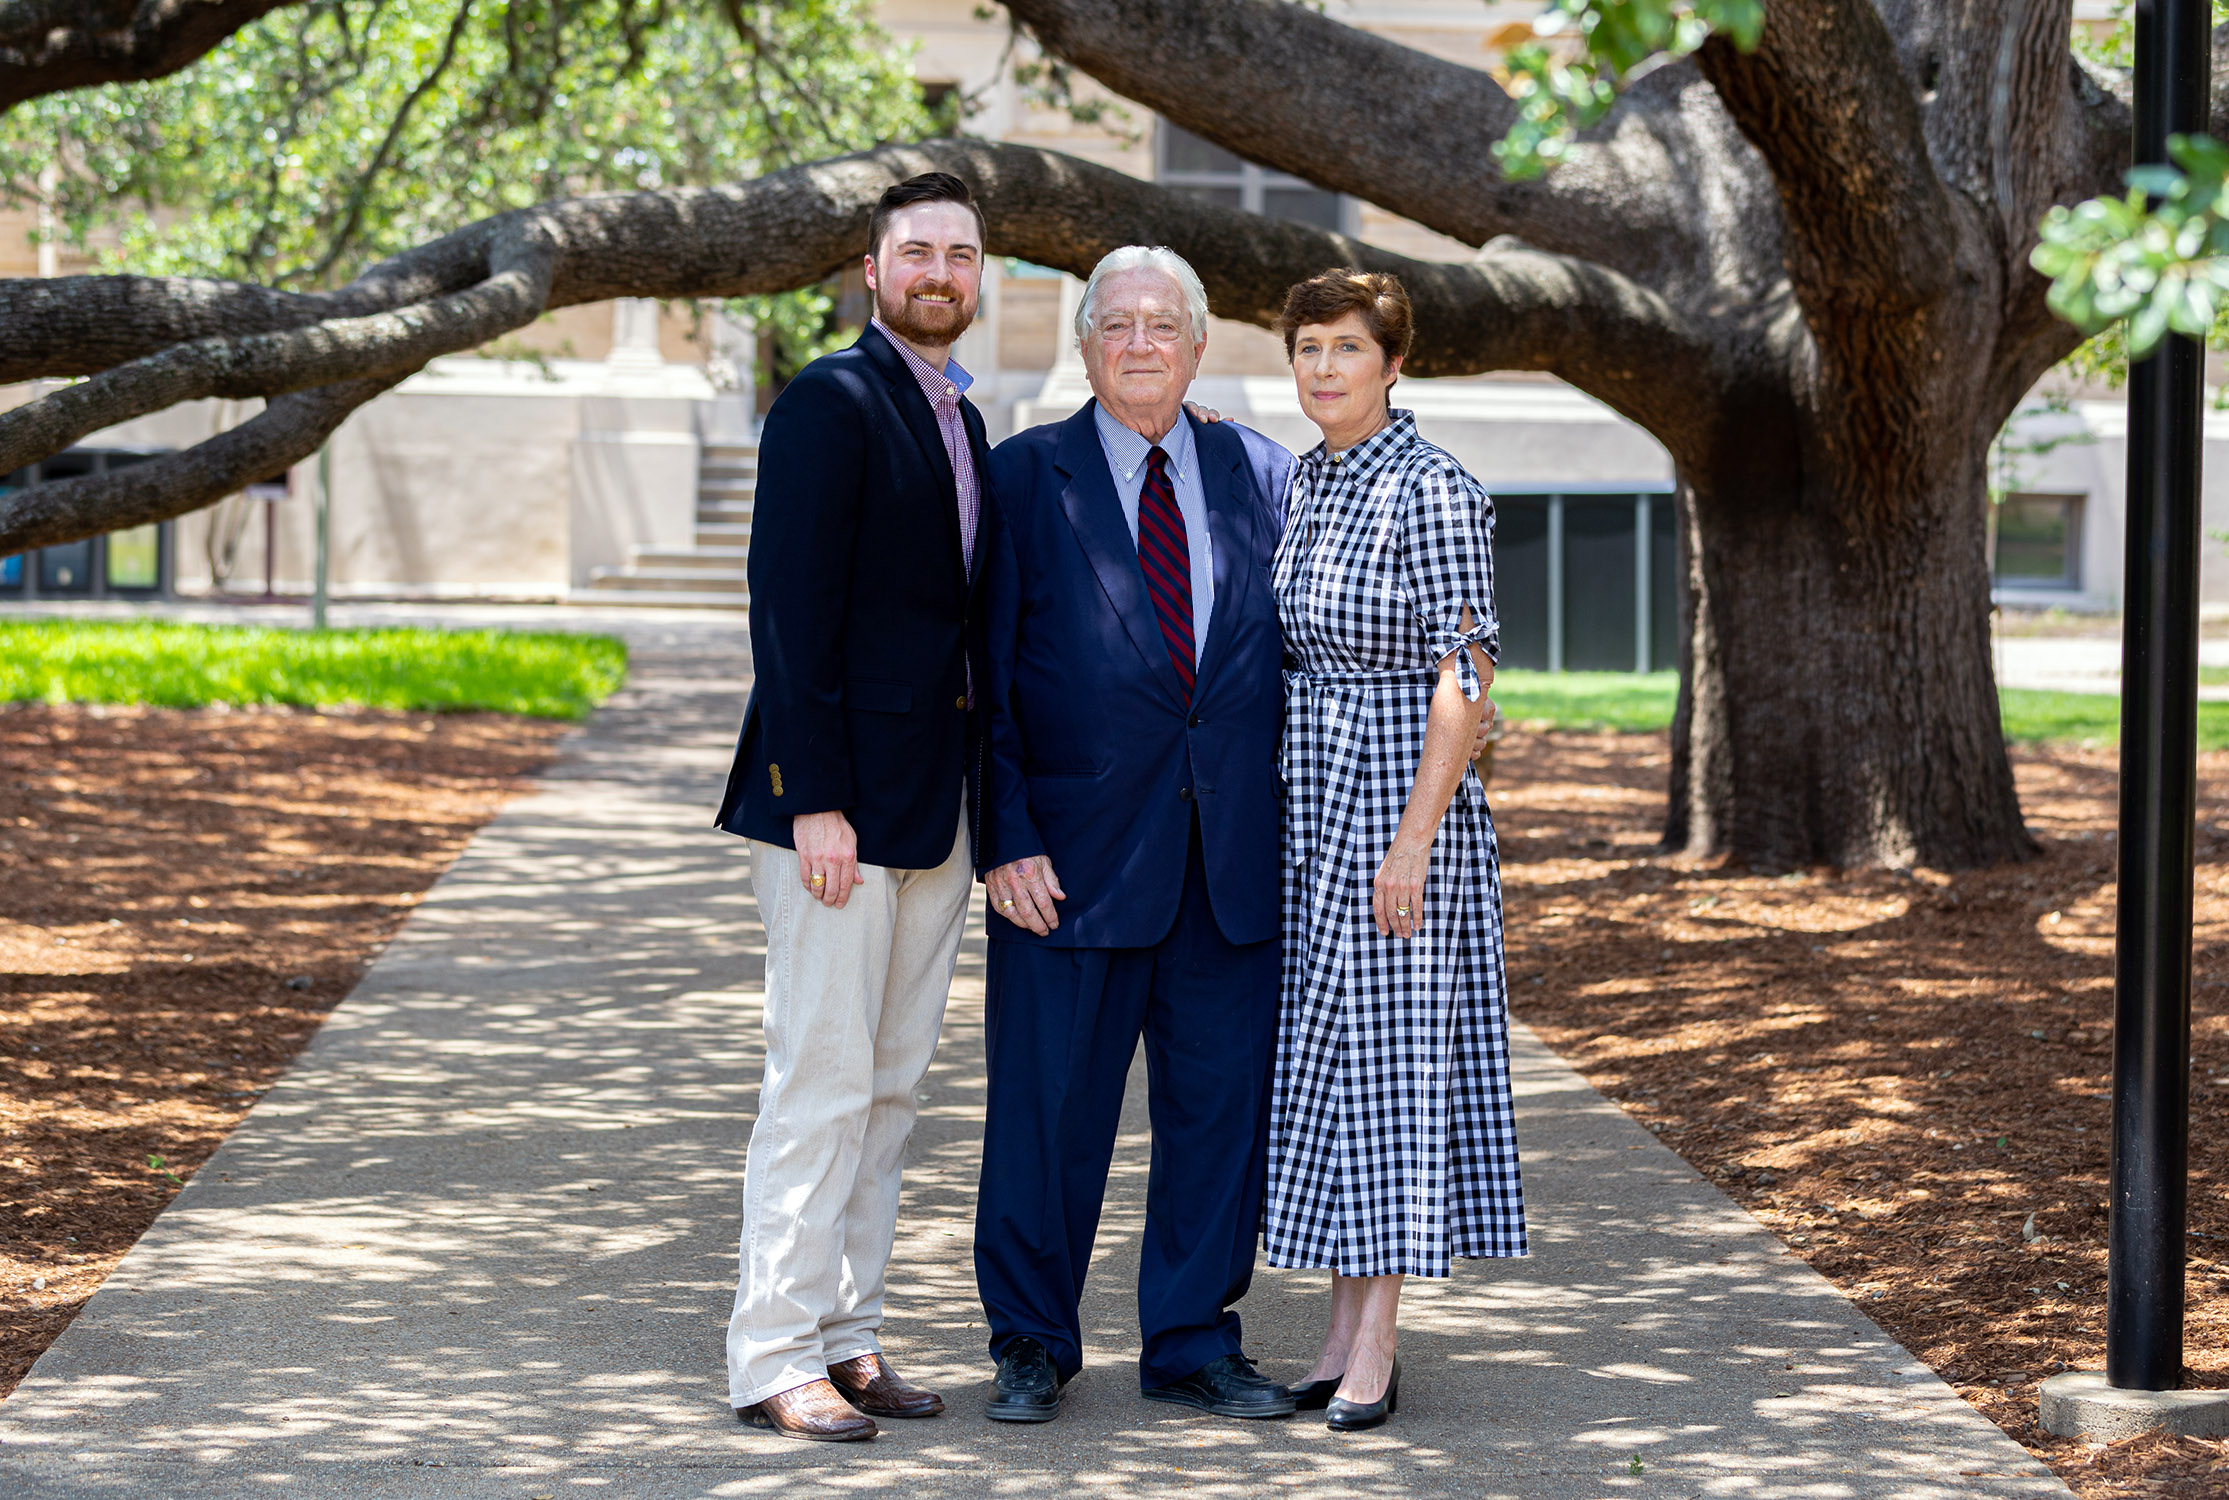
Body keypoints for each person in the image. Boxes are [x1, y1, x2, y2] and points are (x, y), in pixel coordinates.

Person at [970, 246, 1297, 1423]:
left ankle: (1194, 1340)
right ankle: (1029, 1340)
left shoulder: (1264, 474)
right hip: (1065, 865)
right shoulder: (1021, 480)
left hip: (1230, 867)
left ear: (1201, 346)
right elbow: (986, 676)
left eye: (1166, 323)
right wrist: (1004, 836)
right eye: (1119, 323)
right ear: (1086, 346)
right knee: (1047, 1115)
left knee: (1217, 1118)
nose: (1143, 341)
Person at [711, 171, 991, 1442]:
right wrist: (813, 801)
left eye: (961, 255)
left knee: (889, 1088)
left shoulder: (965, 423)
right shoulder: (830, 400)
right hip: (838, 817)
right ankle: (774, 1352)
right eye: (917, 252)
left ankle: (849, 1334)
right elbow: (788, 614)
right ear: (873, 272)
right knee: (819, 1081)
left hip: (933, 812)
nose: (940, 272)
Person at [1264, 269, 1527, 1433]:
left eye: (1347, 349)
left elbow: (1465, 676)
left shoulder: (1431, 488)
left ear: (1394, 363)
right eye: (1308, 347)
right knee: (1332, 1076)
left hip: (1395, 806)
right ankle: (1333, 1327)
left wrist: (1415, 840)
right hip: (1311, 802)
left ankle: (1380, 1341)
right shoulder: (1311, 482)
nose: (1324, 367)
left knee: (1395, 1076)